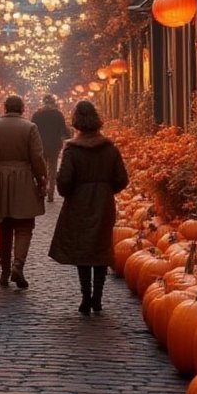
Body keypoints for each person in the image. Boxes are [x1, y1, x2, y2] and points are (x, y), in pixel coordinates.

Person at [48, 100, 129, 316]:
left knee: (83, 247)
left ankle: (85, 296)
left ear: (76, 122)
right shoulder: (110, 148)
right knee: (101, 247)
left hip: (79, 201)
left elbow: (64, 180)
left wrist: (70, 192)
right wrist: (106, 189)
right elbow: (122, 178)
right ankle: (98, 298)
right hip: (103, 201)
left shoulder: (72, 150)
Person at [0, 94, 47, 289]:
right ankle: (18, 265)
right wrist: (42, 178)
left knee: (4, 225)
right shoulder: (30, 128)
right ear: (22, 108)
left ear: (5, 107)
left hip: (0, 178)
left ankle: (5, 270)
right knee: (24, 226)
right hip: (23, 178)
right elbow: (37, 157)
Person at [31, 95, 71, 202]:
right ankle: (51, 193)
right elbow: (64, 131)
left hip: (40, 145)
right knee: (52, 169)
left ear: (43, 102)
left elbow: (31, 130)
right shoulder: (58, 115)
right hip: (54, 145)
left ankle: (42, 188)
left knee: (41, 169)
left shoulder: (37, 114)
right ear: (54, 103)